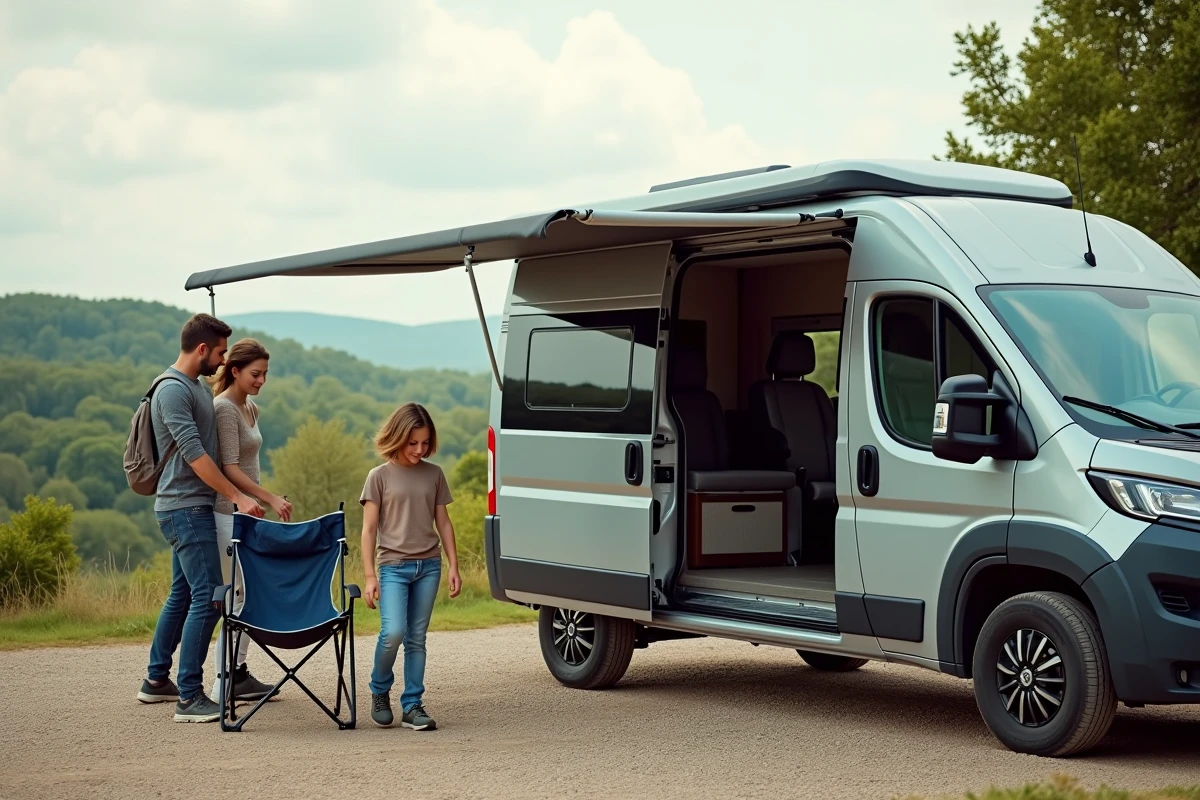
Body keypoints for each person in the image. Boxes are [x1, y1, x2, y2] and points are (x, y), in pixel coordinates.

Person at [136, 314, 264, 723]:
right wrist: (238, 496)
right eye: (222, 352)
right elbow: (194, 454)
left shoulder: (191, 386)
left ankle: (157, 681)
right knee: (211, 596)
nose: (224, 361)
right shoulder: (172, 390)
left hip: (190, 507)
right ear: (203, 349)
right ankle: (190, 695)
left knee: (182, 594)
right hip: (185, 508)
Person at [360, 402, 462, 730]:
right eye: (412, 443)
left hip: (428, 567)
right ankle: (379, 690)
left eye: (425, 443)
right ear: (398, 437)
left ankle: (412, 705)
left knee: (417, 637)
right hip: (392, 567)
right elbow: (369, 530)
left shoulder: (434, 474)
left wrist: (454, 566)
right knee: (393, 633)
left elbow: (443, 523)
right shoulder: (379, 477)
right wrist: (370, 576)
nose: (420, 450)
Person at [208, 338, 293, 703]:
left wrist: (263, 499)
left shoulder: (250, 408)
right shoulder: (224, 409)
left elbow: (248, 462)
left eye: (265, 374)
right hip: (228, 514)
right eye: (255, 374)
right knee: (238, 597)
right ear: (235, 370)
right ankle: (222, 679)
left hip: (248, 514)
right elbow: (228, 467)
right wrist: (268, 497)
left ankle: (238, 673)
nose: (261, 380)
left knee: (249, 594)